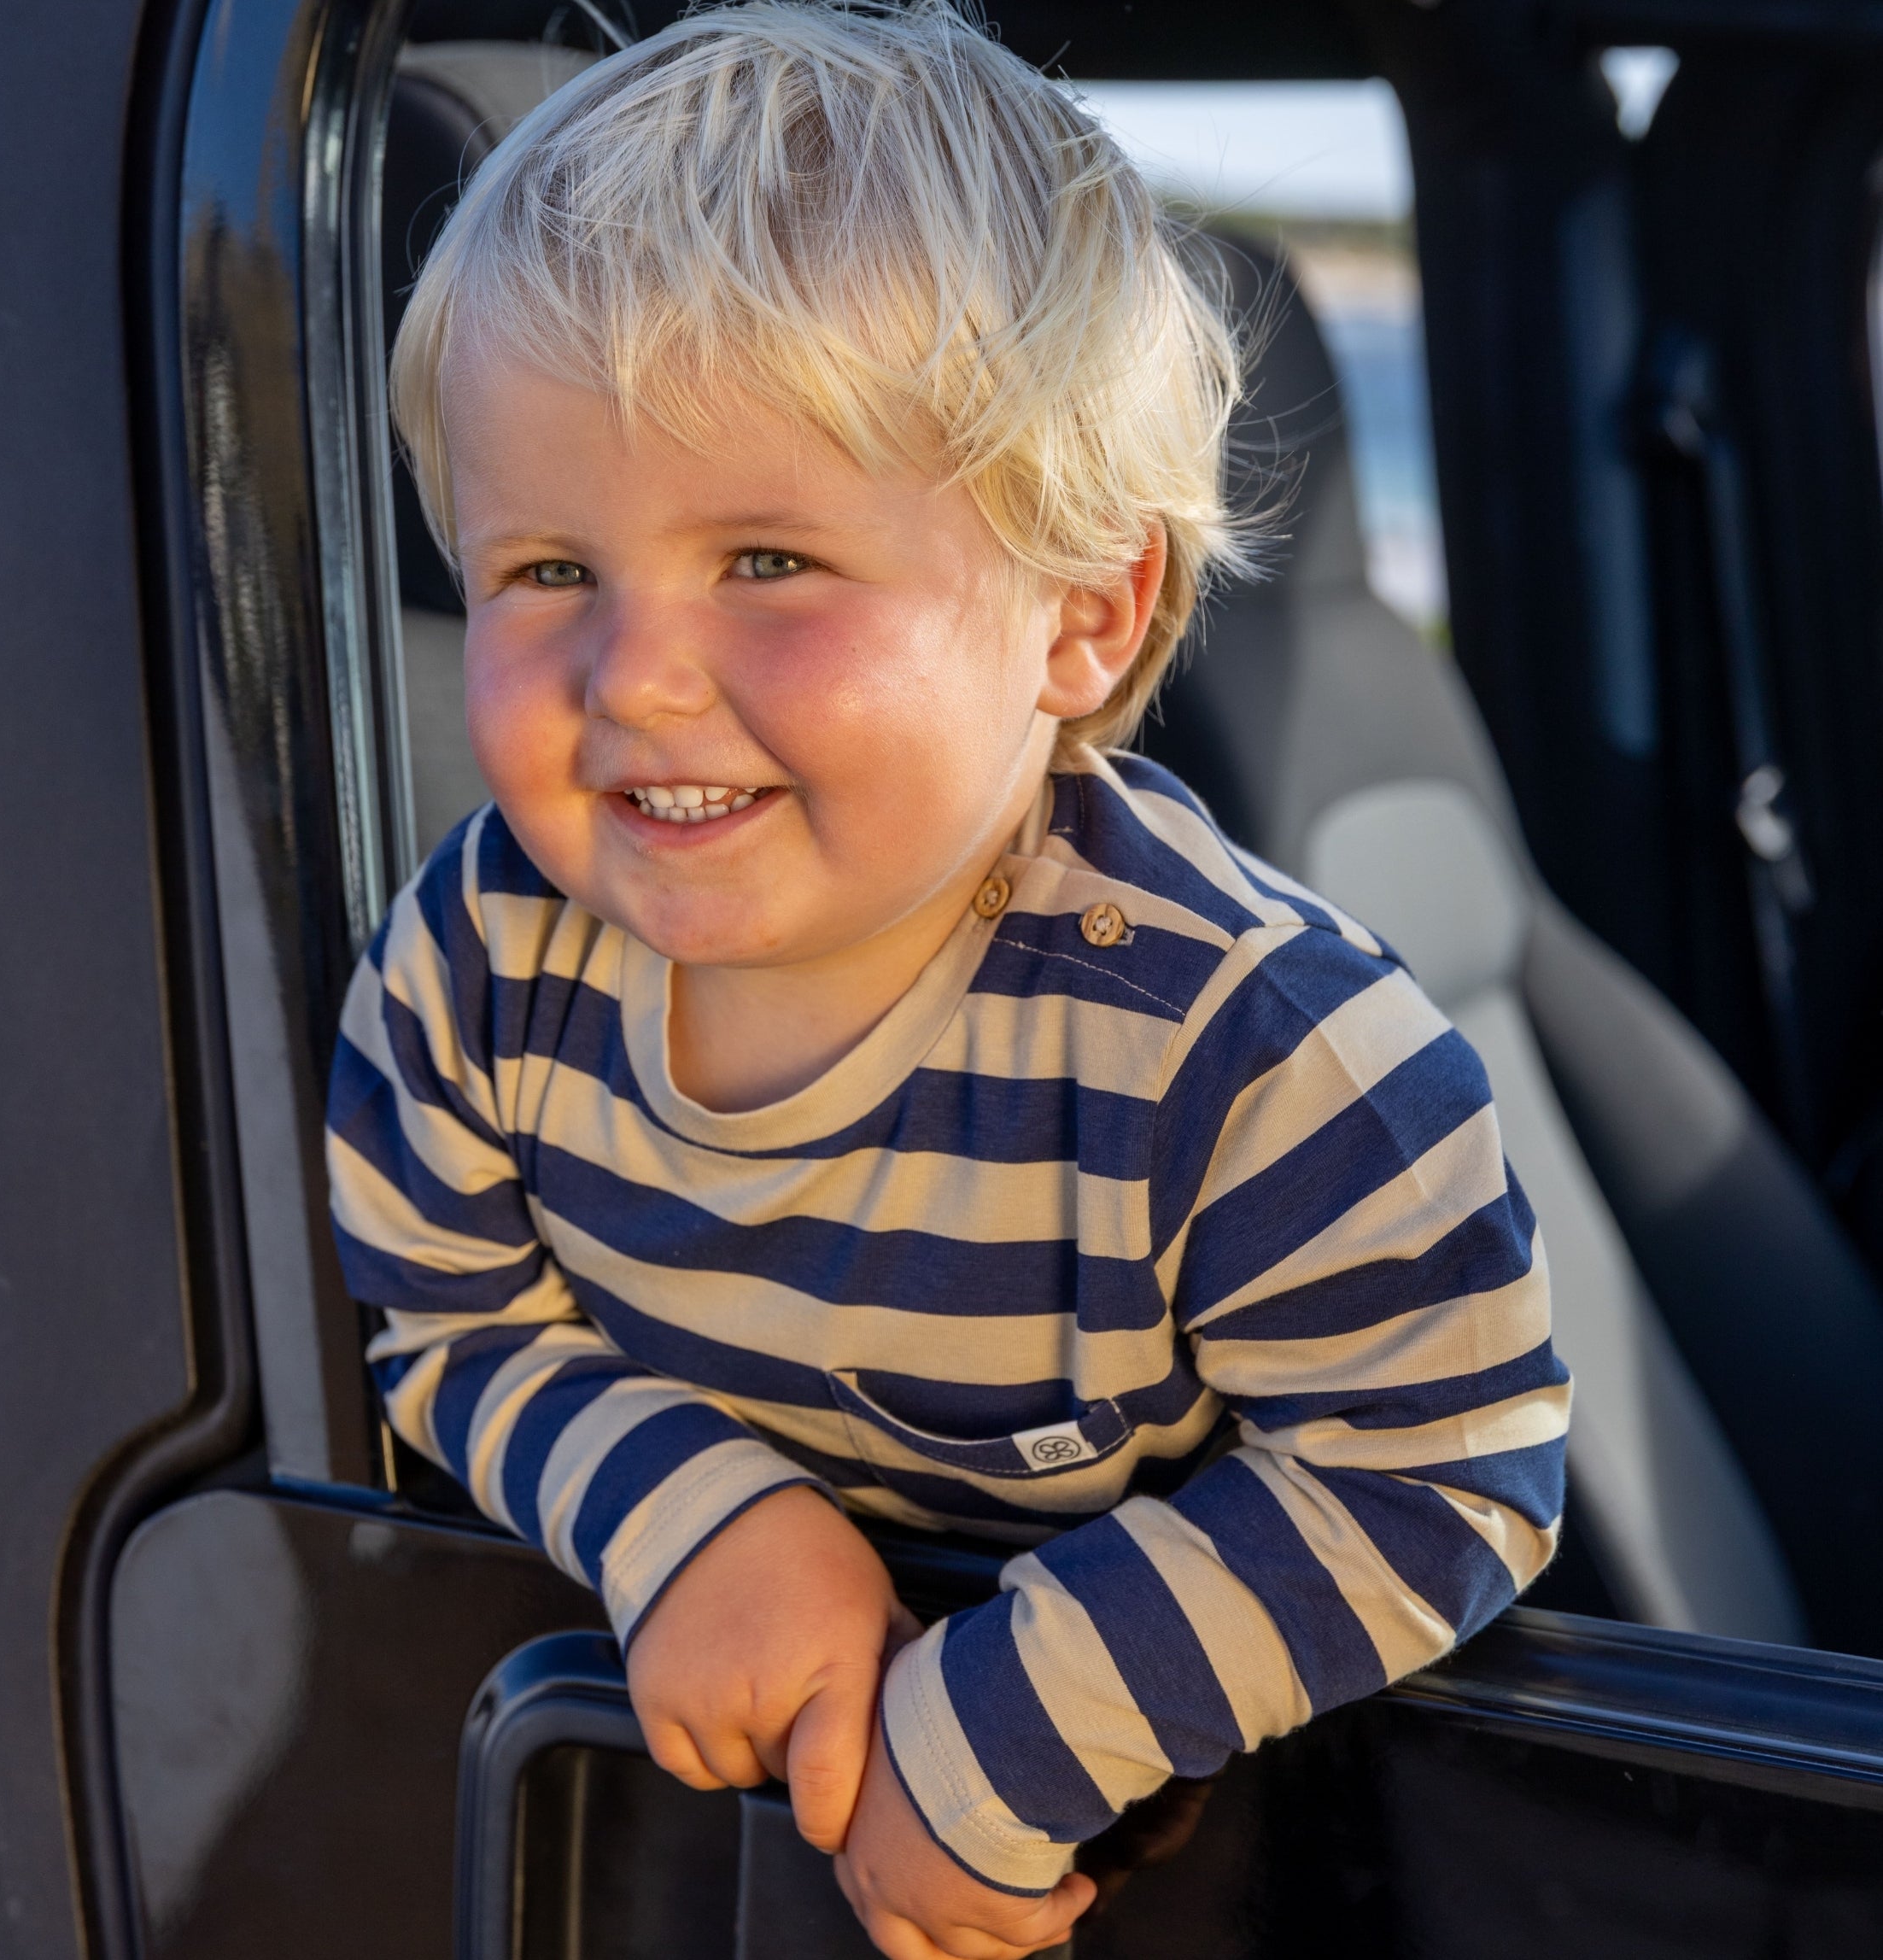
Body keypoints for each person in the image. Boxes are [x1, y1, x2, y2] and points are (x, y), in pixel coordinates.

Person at [326, 7, 1570, 1955]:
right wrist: (693, 1518)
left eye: (764, 561)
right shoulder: (478, 959)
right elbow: (442, 1306)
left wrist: (1001, 1736)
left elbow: (1444, 1457)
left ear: (1082, 613)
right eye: (547, 570)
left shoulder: (1248, 1052)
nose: (633, 674)